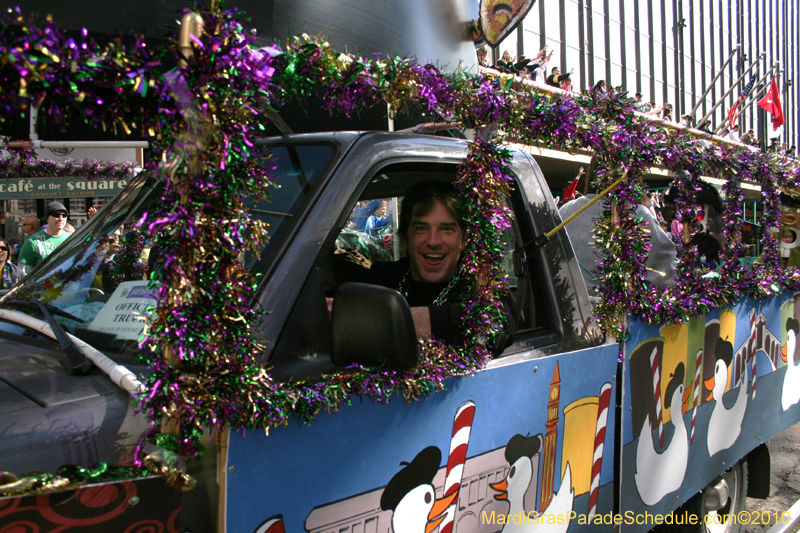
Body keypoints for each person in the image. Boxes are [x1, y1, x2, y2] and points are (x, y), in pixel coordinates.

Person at [359, 180, 513, 347]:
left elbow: (494, 326)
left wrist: (383, 321)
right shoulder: (380, 279)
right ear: (405, 239)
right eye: (421, 228)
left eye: (446, 229)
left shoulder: (481, 286)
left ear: (464, 240)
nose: (433, 241)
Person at [17, 202, 71, 274]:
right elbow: (23, 273)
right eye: (56, 215)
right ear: (47, 218)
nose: (61, 219)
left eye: (64, 215)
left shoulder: (72, 239)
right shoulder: (32, 241)